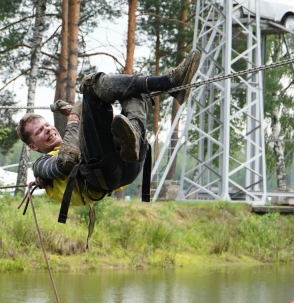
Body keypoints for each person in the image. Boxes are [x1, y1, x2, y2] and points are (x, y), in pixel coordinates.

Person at [17, 50, 201, 223]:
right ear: (33, 146)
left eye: (46, 125)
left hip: (129, 162)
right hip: (101, 173)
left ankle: (164, 96)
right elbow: (67, 160)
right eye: (39, 131)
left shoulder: (79, 141)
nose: (47, 129)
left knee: (131, 92)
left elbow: (107, 125)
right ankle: (167, 83)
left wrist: (76, 112)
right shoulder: (40, 166)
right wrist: (74, 116)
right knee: (89, 84)